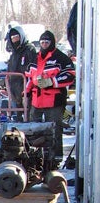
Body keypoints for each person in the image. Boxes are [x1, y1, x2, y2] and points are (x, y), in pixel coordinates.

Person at [25, 30, 75, 166]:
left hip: (54, 102)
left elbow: (70, 75)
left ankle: (55, 159)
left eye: (47, 42)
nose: (45, 44)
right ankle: (35, 159)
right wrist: (26, 92)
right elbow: (29, 76)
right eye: (42, 42)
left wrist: (52, 82)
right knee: (33, 130)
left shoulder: (61, 58)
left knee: (54, 130)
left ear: (52, 42)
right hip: (36, 101)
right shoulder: (35, 57)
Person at [4, 26, 36, 119]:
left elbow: (32, 67)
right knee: (17, 114)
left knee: (28, 113)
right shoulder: (14, 53)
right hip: (14, 88)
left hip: (26, 86)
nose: (15, 40)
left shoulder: (29, 49)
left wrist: (28, 88)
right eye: (13, 38)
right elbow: (10, 68)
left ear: (21, 36)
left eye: (17, 37)